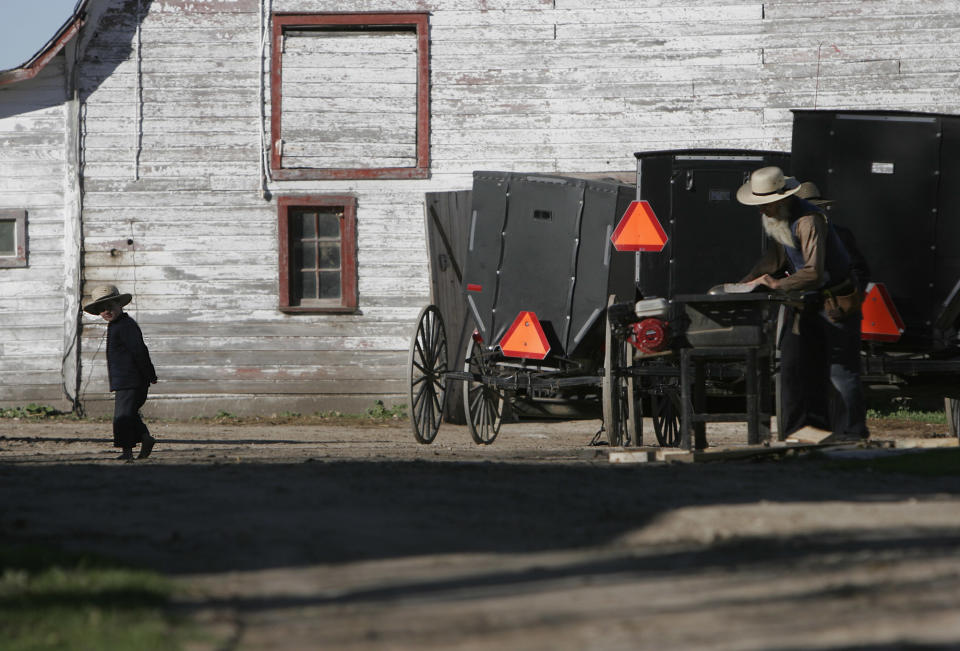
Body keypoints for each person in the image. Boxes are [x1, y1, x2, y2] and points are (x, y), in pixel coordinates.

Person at [735, 167, 860, 441]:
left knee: (840, 373)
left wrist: (779, 285)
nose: (761, 211)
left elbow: (813, 272)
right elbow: (773, 260)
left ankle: (853, 435)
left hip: (834, 303)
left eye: (765, 205)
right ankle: (805, 432)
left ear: (780, 200)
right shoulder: (781, 219)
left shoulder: (808, 221)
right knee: (797, 367)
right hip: (807, 303)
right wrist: (744, 284)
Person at [795, 181, 870, 440]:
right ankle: (842, 428)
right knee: (836, 373)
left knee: (841, 374)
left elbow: (858, 273)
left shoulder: (836, 235)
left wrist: (846, 299)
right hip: (819, 308)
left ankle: (853, 429)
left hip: (835, 307)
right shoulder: (839, 233)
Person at [84, 284, 158, 461]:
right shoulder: (117, 325)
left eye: (110, 306)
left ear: (120, 305)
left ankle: (128, 451)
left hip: (132, 380)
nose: (106, 311)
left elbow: (139, 350)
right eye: (102, 309)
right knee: (128, 414)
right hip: (125, 380)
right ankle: (144, 438)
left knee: (122, 417)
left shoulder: (125, 325)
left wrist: (149, 374)